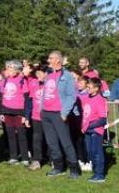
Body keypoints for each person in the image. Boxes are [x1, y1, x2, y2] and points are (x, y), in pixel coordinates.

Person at [40, 50, 80, 178]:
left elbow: (71, 96)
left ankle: (74, 169)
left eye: (50, 58)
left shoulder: (67, 75)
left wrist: (64, 113)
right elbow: (45, 93)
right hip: (46, 113)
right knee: (51, 142)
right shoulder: (49, 74)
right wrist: (42, 109)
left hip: (59, 114)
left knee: (65, 142)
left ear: (58, 60)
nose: (48, 60)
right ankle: (58, 167)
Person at [0, 60, 30, 166]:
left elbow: (26, 98)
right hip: (7, 111)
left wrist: (25, 115)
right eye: (8, 68)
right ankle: (13, 157)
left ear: (16, 70)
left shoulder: (22, 81)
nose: (9, 70)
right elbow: (1, 97)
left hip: (19, 112)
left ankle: (25, 157)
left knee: (22, 135)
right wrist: (1, 112)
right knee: (10, 136)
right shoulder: (5, 81)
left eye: (11, 68)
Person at [79, 78, 107, 183]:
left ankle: (99, 175)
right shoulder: (87, 98)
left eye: (90, 87)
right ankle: (95, 171)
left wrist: (89, 126)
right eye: (87, 86)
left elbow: (102, 119)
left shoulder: (99, 99)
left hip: (95, 131)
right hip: (87, 131)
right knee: (90, 152)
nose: (88, 89)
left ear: (96, 88)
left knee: (97, 153)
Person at [27, 66, 46, 171]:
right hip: (36, 116)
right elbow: (30, 102)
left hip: (48, 116)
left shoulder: (51, 85)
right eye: (37, 74)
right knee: (37, 138)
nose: (38, 76)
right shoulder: (34, 84)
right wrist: (27, 116)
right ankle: (36, 160)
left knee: (50, 139)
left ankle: (53, 159)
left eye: (40, 73)